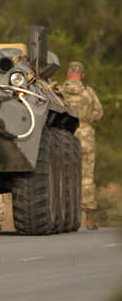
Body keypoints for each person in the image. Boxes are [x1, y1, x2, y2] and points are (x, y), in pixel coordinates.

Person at [58, 61, 104, 230]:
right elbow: (98, 113)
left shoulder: (59, 92)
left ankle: (64, 216)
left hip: (65, 136)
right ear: (82, 75)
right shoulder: (88, 93)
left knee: (63, 175)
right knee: (86, 177)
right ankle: (89, 218)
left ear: (68, 74)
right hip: (86, 137)